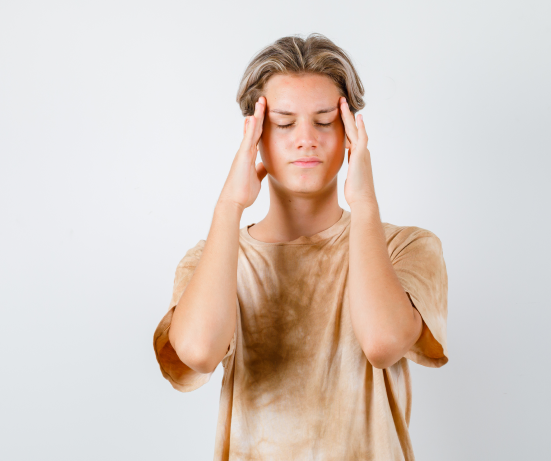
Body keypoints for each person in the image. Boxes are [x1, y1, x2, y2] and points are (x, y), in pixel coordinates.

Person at [153, 33, 449, 460]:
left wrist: (365, 203)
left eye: (325, 121)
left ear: (350, 132)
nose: (306, 138)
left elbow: (382, 342)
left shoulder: (406, 247)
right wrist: (229, 206)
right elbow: (199, 352)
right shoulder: (212, 258)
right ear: (255, 134)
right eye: (284, 123)